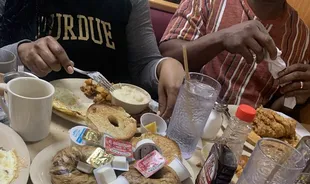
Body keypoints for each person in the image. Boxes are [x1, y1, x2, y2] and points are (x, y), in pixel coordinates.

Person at [0, 0, 184, 118]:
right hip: (31, 115)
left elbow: (144, 64)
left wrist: (164, 65)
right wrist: (20, 51)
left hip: (108, 124)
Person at [160, 0, 310, 111]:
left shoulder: (301, 37)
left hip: (246, 137)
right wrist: (221, 38)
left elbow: (275, 108)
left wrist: (298, 96)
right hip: (186, 116)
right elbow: (167, 54)